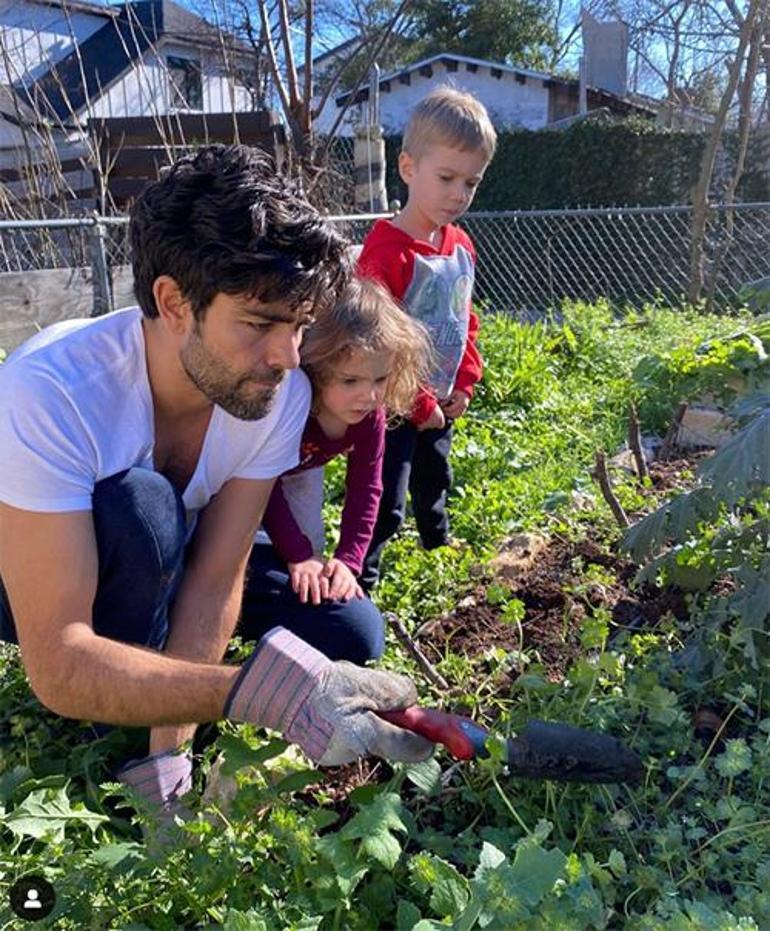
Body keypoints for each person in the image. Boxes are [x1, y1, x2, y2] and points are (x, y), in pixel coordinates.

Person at [0, 145, 432, 816]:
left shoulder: (274, 388)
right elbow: (58, 662)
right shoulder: (50, 390)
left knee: (348, 630)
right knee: (144, 507)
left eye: (298, 325)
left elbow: (214, 577)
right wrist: (255, 691)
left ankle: (153, 720)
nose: (288, 357)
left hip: (173, 555)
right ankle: (114, 721)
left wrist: (172, 750)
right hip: (42, 567)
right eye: (260, 323)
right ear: (173, 302)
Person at [357, 86, 497, 589]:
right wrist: (415, 400)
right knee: (385, 495)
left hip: (441, 398)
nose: (459, 194)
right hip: (393, 404)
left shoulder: (460, 244)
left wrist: (464, 379)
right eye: (447, 178)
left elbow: (464, 316)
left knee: (435, 476)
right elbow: (375, 341)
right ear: (408, 167)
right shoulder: (385, 250)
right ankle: (361, 576)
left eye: (471, 183)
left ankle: (437, 541)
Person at [261, 275, 431, 607]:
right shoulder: (291, 405)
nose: (368, 395)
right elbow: (262, 483)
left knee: (310, 544)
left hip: (301, 470)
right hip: (253, 470)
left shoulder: (370, 416)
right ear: (317, 368)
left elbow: (366, 488)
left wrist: (349, 559)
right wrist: (296, 552)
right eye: (350, 380)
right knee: (272, 541)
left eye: (380, 378)